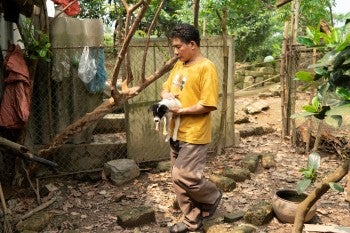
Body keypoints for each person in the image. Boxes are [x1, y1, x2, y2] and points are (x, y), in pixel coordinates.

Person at [161, 23, 222, 233]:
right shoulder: (180, 65)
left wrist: (181, 111)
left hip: (195, 134)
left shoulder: (207, 67)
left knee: (182, 175)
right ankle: (192, 219)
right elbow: (165, 87)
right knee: (178, 180)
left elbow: (208, 104)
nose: (175, 52)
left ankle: (212, 196)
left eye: (179, 47)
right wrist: (166, 97)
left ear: (193, 44)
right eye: (174, 47)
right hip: (176, 132)